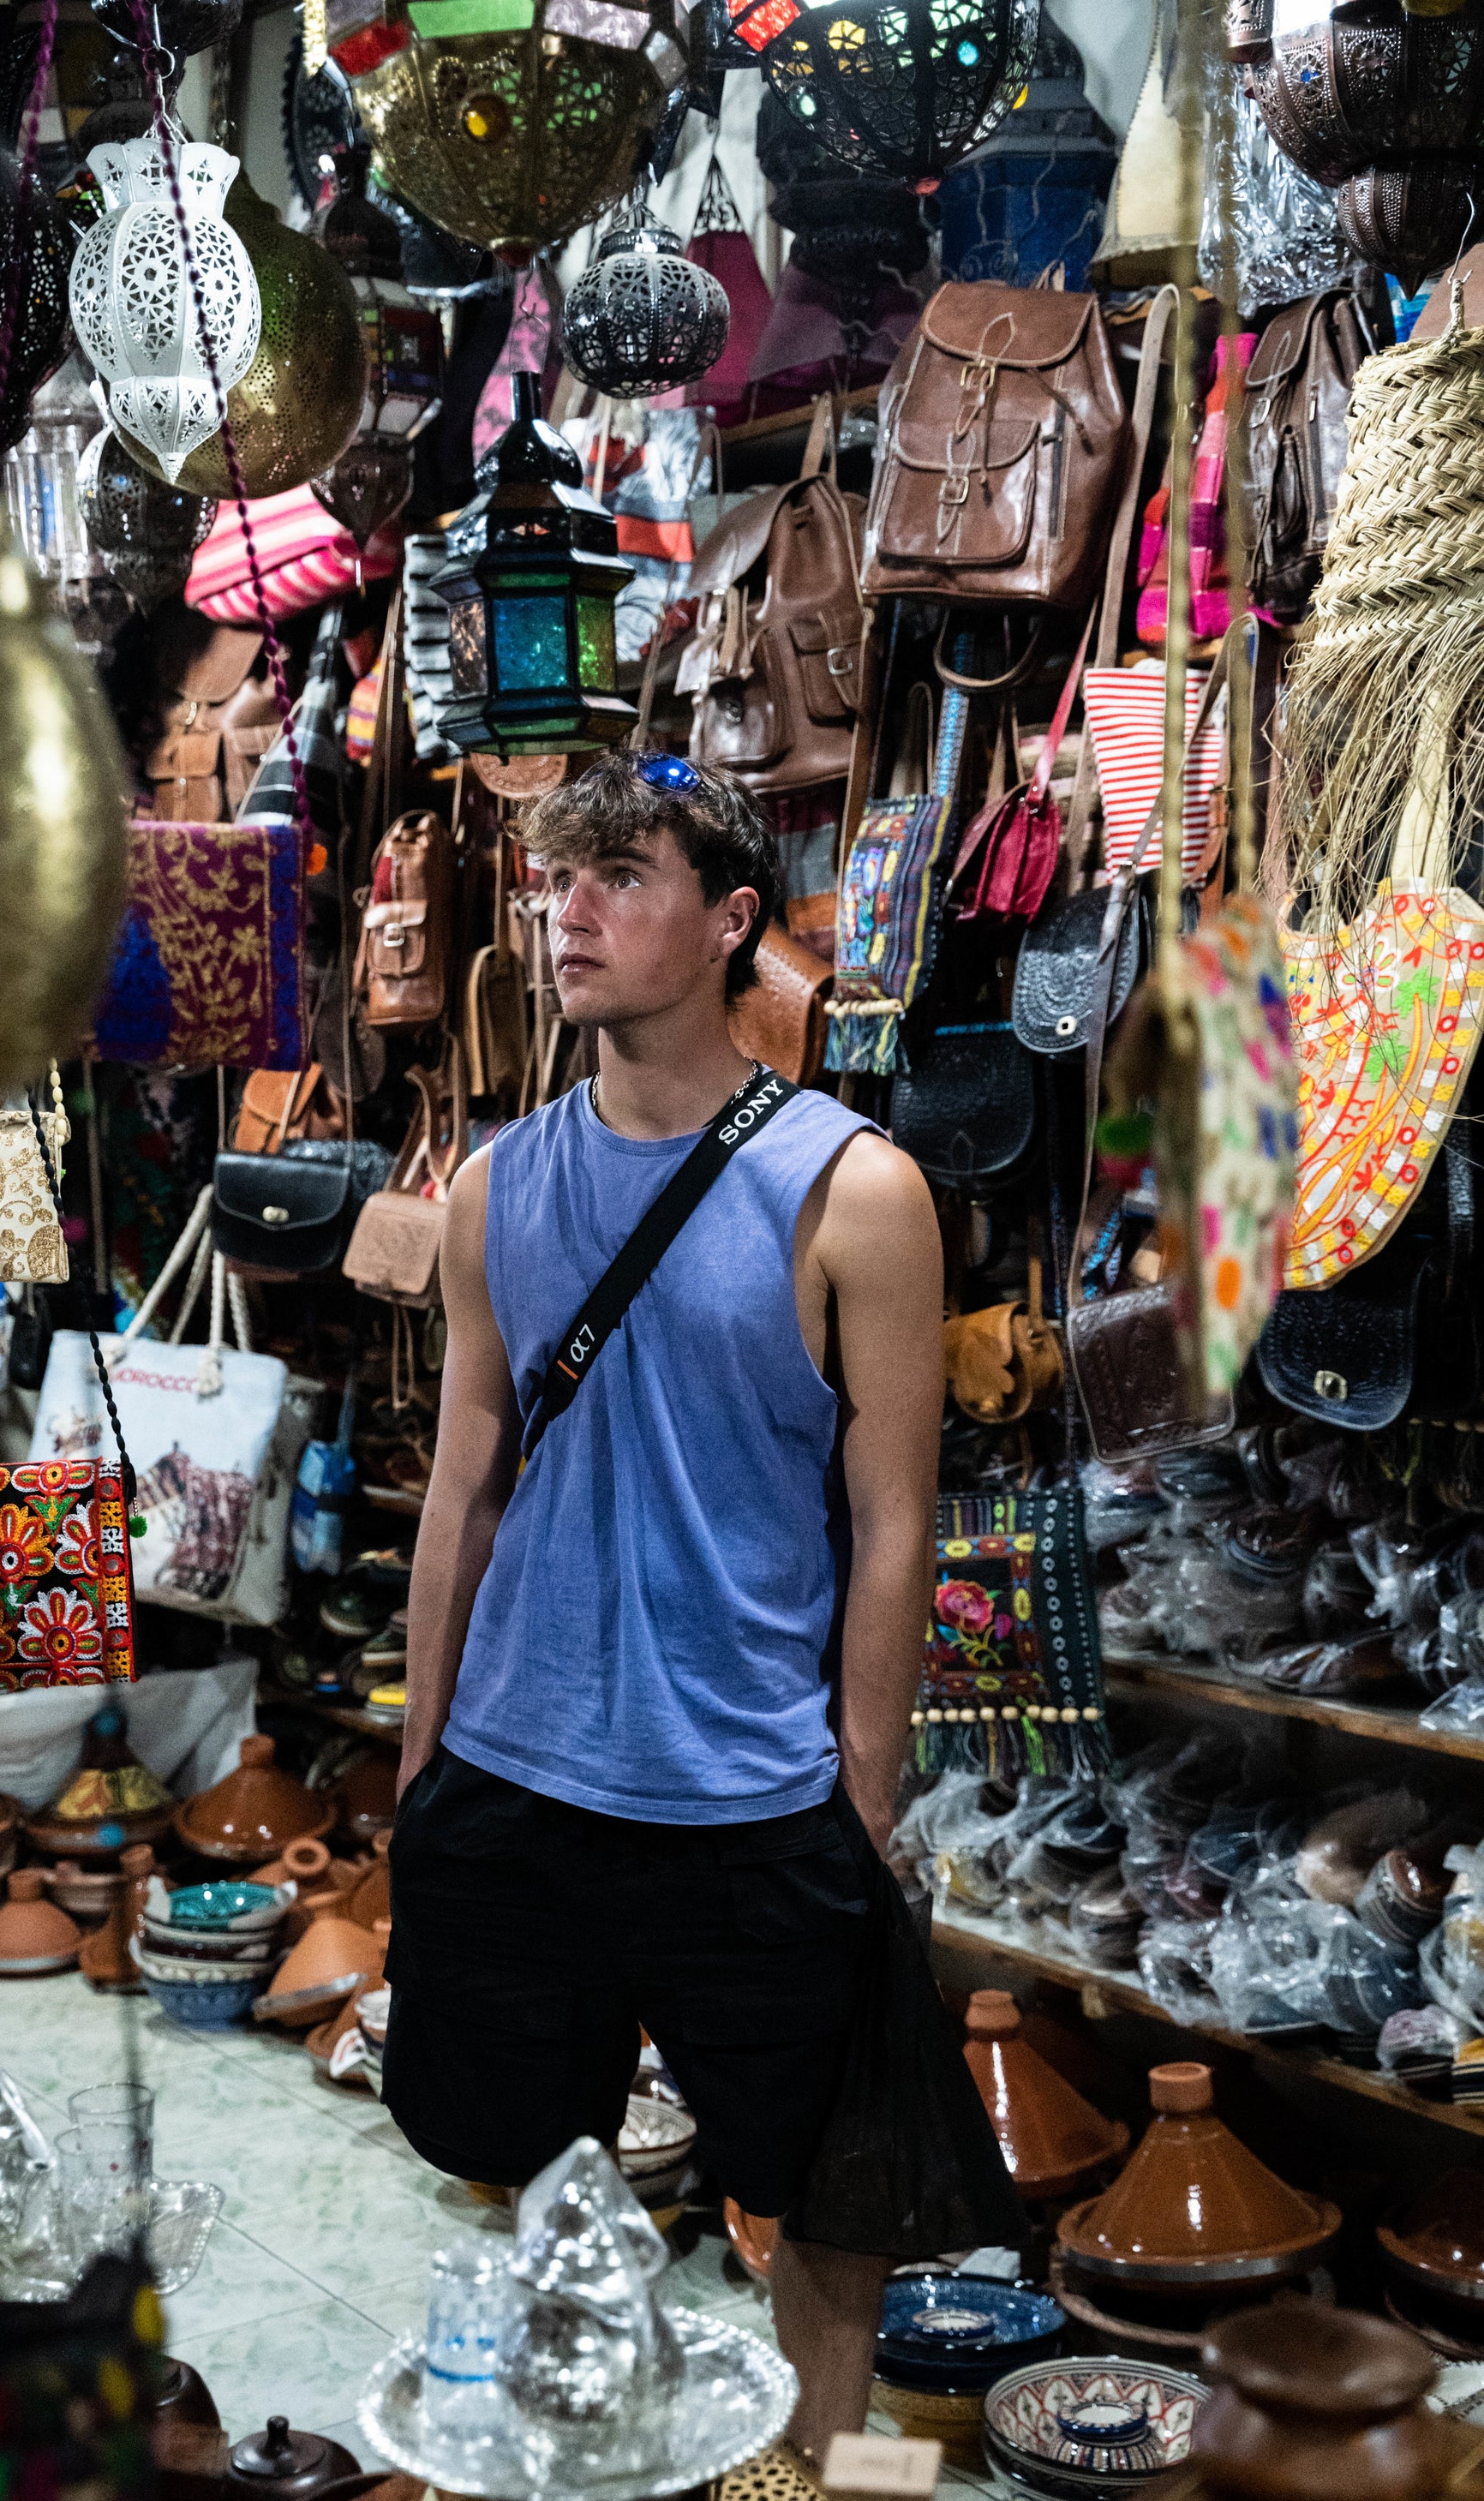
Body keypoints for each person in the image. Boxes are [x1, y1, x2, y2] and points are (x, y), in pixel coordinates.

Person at [382, 750, 1010, 2466]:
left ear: (732, 919)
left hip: (749, 1783)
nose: (566, 910)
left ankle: (797, 2465)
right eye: (555, 877)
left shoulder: (851, 1188)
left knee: (825, 2174)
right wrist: (423, 1755)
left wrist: (860, 1781)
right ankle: (579, 2429)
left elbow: (894, 1522)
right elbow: (464, 1484)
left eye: (618, 876)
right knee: (527, 2147)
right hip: (519, 1764)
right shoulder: (500, 1183)